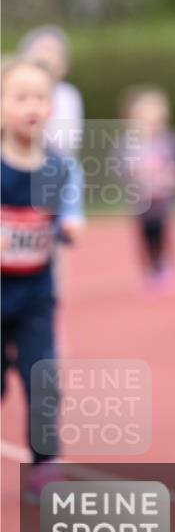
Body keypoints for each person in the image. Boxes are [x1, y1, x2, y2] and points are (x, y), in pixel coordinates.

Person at [1, 58, 84, 500]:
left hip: (35, 292)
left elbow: (69, 209)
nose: (31, 106)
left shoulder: (58, 167)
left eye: (40, 97)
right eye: (20, 97)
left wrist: (70, 224)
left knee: (43, 379)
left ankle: (45, 463)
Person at [120, 86, 175, 294]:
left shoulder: (170, 140)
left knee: (163, 233)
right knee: (145, 236)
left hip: (164, 199)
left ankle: (165, 266)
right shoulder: (128, 143)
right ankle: (150, 270)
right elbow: (120, 167)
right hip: (141, 201)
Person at [19, 25, 84, 157]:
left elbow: (65, 142)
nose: (49, 58)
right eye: (43, 50)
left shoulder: (68, 95)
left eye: (56, 53)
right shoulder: (9, 90)